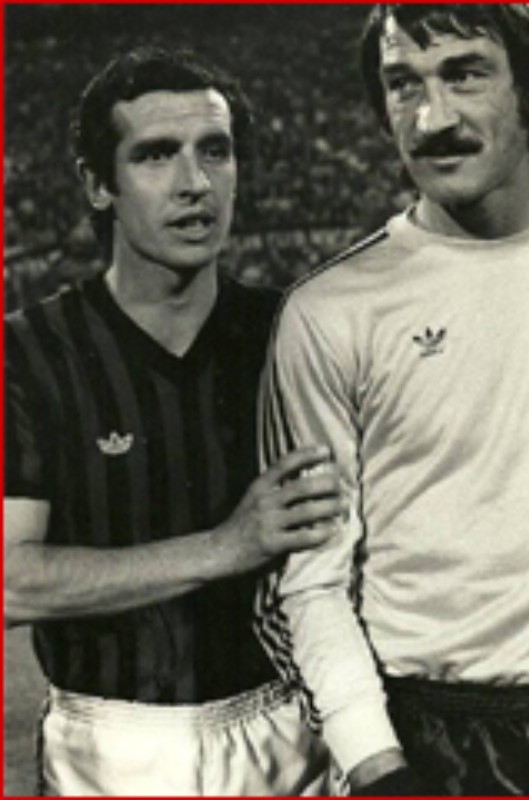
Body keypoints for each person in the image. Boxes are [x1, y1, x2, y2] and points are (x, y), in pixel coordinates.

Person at [256, 4, 529, 796]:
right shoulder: (327, 312)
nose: (431, 118)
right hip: (427, 742)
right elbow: (313, 578)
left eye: (463, 74)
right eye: (403, 84)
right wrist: (375, 763)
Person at [4, 46, 346, 797]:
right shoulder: (27, 353)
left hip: (288, 732)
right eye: (156, 155)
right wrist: (226, 546)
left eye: (214, 151)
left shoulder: (292, 333)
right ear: (98, 184)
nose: (195, 183)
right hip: (109, 751)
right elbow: (9, 584)